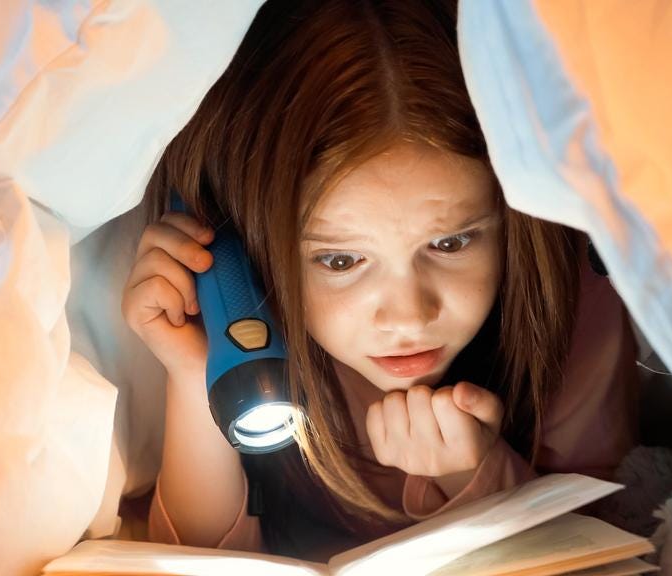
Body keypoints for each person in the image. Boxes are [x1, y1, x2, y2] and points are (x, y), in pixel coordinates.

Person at [120, 0, 639, 561]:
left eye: (450, 243)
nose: (409, 318)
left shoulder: (576, 310)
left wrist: (478, 474)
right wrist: (202, 372)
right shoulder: (252, 317)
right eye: (341, 261)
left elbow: (609, 543)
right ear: (245, 251)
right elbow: (195, 557)